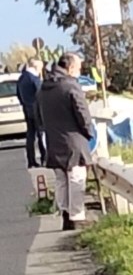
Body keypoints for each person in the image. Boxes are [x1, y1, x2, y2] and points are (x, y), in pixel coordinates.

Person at [34, 53, 93, 231]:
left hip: (53, 140)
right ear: (71, 68)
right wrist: (88, 132)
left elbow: (37, 115)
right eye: (79, 68)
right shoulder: (71, 86)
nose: (79, 71)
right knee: (76, 178)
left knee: (61, 180)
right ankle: (77, 216)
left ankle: (65, 214)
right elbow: (83, 113)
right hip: (73, 140)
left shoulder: (43, 88)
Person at [15, 58, 46, 169]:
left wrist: (25, 104)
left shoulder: (21, 78)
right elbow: (40, 95)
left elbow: (18, 94)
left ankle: (31, 160)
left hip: (27, 109)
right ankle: (44, 158)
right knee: (41, 134)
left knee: (30, 135)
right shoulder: (34, 79)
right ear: (37, 67)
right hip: (37, 110)